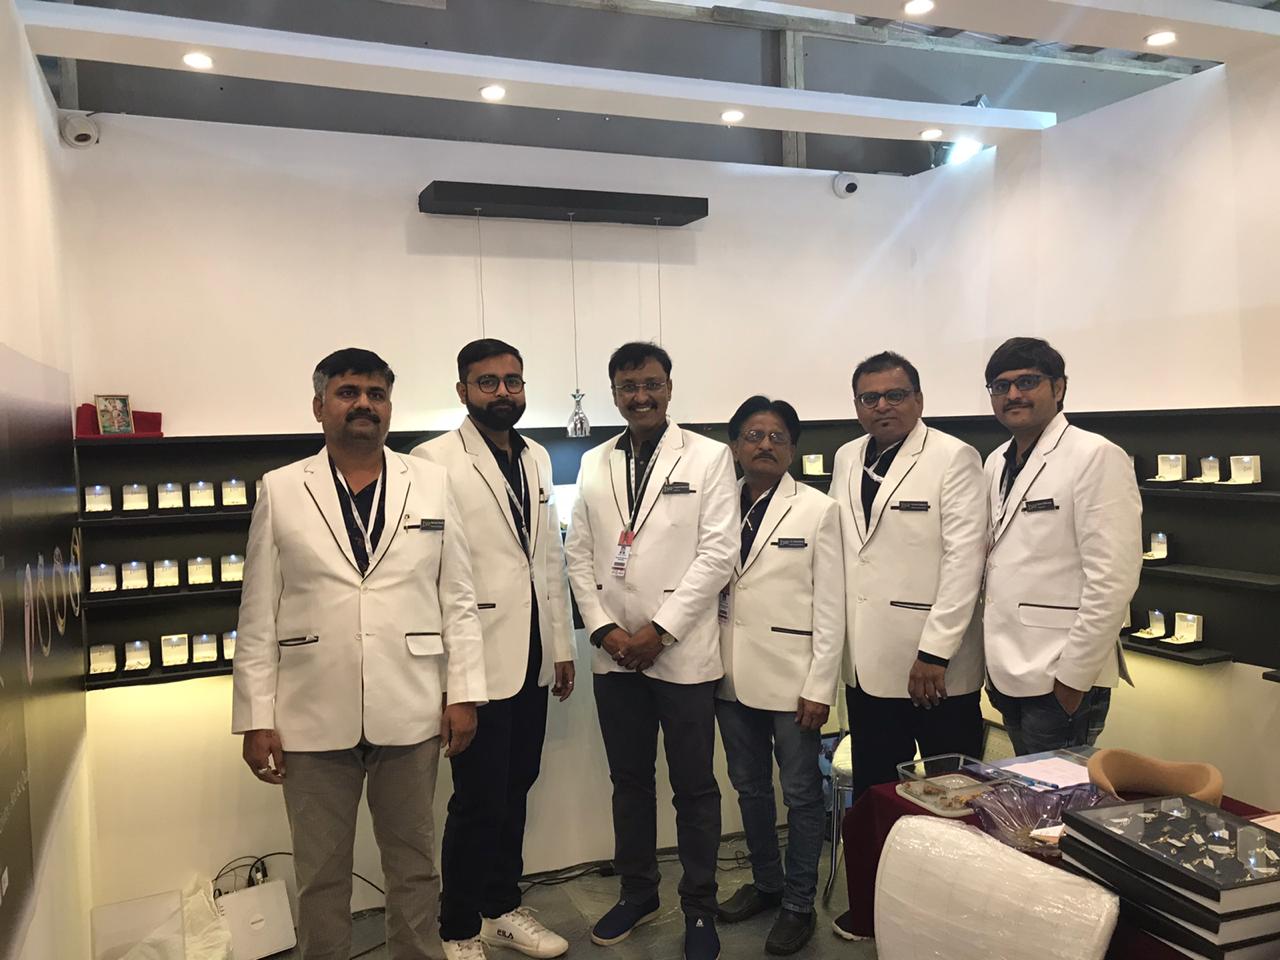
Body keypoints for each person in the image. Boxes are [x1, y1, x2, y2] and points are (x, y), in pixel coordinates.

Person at [233, 347, 486, 960]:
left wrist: (464, 692)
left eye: (376, 394)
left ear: (390, 407)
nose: (364, 404)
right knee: (321, 874)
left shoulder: (431, 482)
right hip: (311, 710)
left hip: (412, 703)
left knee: (415, 865)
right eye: (348, 392)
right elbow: (258, 610)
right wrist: (255, 716)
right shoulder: (282, 488)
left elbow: (457, 596)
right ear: (319, 406)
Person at [564, 341, 738, 960]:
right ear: (614, 393)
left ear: (669, 387)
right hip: (615, 655)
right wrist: (603, 630)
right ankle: (638, 892)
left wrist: (658, 632)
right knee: (629, 781)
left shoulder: (709, 456)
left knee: (694, 787)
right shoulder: (594, 462)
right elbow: (579, 554)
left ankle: (699, 907)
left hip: (681, 651)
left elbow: (718, 554)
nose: (641, 396)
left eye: (651, 384)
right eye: (628, 386)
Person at [413, 339, 575, 960]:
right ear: (463, 391)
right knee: (478, 800)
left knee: (518, 785)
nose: (503, 392)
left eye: (513, 381)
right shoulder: (432, 462)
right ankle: (457, 927)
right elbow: (433, 575)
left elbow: (547, 558)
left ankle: (500, 907)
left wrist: (561, 645)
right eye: (488, 382)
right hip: (474, 656)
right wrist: (453, 682)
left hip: (531, 652)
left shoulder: (535, 457)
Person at [829, 351, 988, 941]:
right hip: (867, 663)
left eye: (895, 395)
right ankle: (877, 908)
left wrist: (936, 651)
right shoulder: (847, 456)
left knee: (953, 795)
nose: (882, 406)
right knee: (877, 792)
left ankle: (953, 911)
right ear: (856, 405)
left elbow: (964, 560)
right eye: (869, 397)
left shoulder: (953, 457)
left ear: (918, 399)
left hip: (934, 668)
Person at [713, 396, 843, 956]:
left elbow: (832, 606)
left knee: (801, 794)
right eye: (753, 435)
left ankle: (797, 902)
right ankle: (767, 884)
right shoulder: (717, 505)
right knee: (748, 788)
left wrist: (820, 685)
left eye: (776, 437)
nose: (764, 445)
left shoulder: (819, 509)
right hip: (728, 676)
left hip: (794, 681)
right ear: (735, 446)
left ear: (791, 449)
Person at [981, 337, 1141, 755]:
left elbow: (1113, 579)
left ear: (1059, 387)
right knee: (1027, 789)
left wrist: (1073, 679)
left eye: (1027, 382)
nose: (1013, 394)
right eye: (1000, 386)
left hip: (1060, 675)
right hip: (1008, 669)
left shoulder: (1095, 455)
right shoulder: (996, 461)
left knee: (1058, 793)